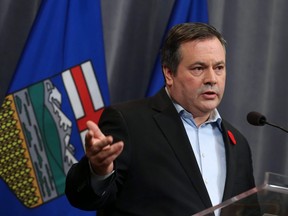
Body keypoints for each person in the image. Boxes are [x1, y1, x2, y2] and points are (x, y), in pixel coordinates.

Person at [65, 22, 256, 216]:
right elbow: (84, 198)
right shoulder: (129, 122)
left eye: (219, 67)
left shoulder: (237, 144)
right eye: (199, 68)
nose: (212, 78)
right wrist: (99, 171)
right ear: (169, 73)